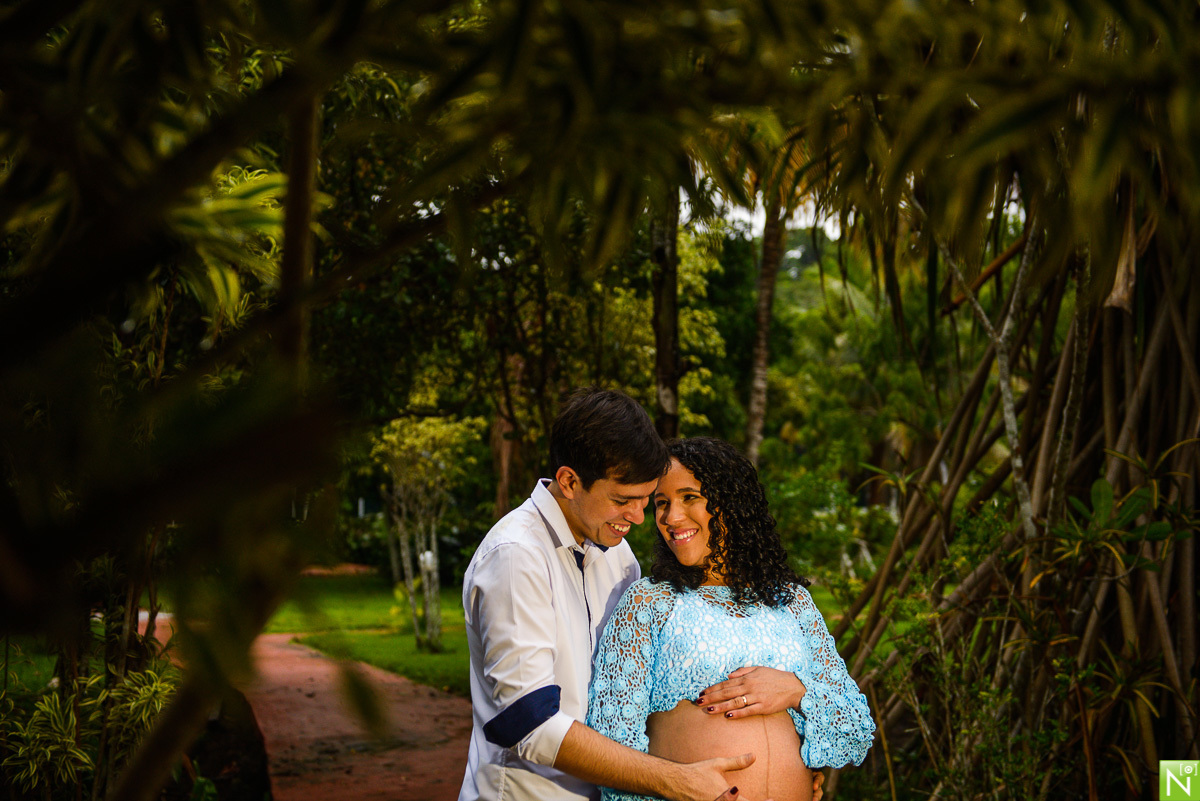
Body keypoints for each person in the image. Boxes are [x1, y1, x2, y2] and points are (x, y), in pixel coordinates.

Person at [459, 389, 778, 801]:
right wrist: (675, 780)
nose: (639, 518)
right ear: (569, 482)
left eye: (645, 500)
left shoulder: (619, 556)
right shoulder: (516, 556)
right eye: (623, 500)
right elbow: (529, 724)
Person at [587, 437, 876, 801]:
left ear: (730, 502)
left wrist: (796, 691)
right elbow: (613, 742)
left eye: (689, 497)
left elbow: (855, 729)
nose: (671, 517)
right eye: (662, 503)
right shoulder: (649, 602)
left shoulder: (792, 602)